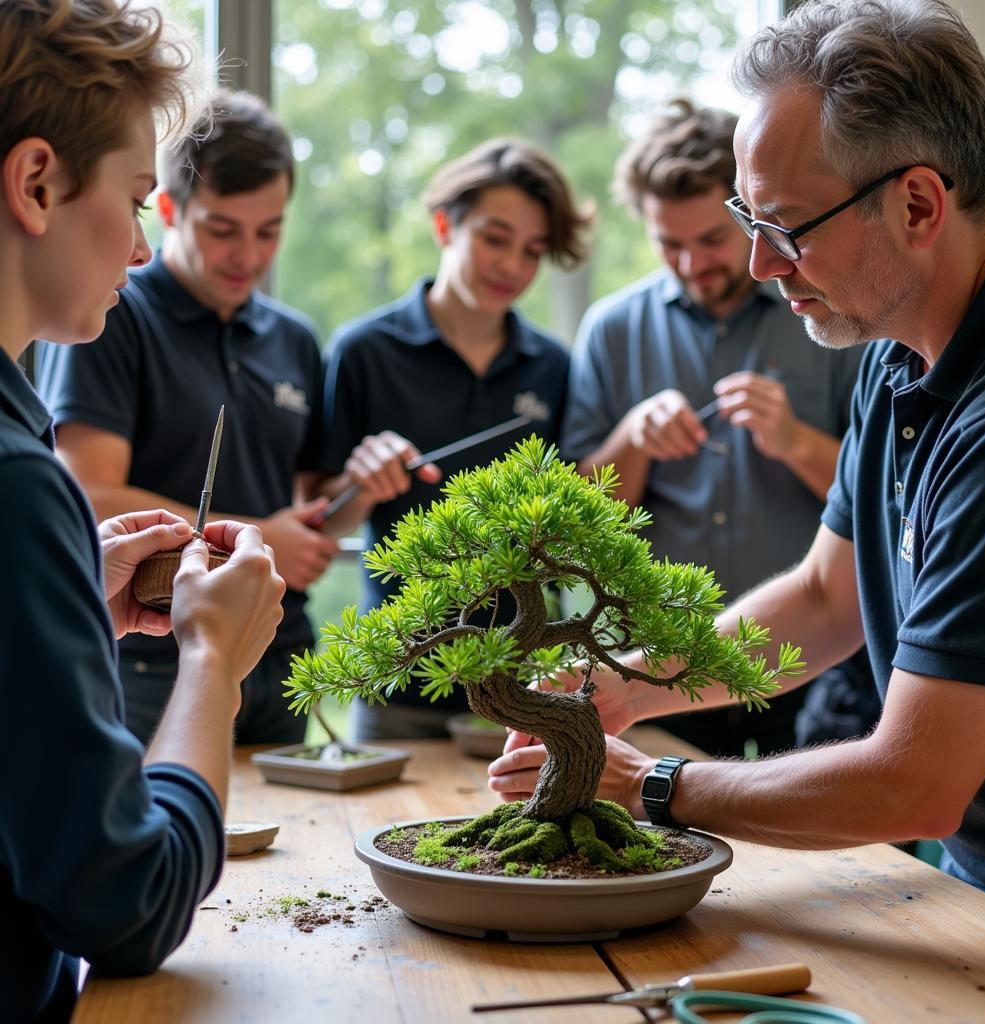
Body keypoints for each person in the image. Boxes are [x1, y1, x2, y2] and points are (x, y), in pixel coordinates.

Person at [490, 0, 985, 910]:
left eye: (785, 226)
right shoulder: (898, 345)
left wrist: (650, 785)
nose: (759, 265)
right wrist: (617, 685)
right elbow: (824, 598)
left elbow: (915, 785)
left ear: (919, 205)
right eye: (748, 217)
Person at [0, 2, 286, 1019]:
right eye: (133, 197)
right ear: (37, 183)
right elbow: (126, 906)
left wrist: (73, 601)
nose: (134, 245)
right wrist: (213, 661)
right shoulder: (19, 477)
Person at [561, 97, 876, 758]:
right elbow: (577, 533)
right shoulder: (613, 332)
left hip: (811, 659)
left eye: (710, 240)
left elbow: (886, 500)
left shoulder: (836, 314)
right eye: (669, 244)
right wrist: (630, 444)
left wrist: (795, 440)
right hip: (652, 664)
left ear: (751, 215)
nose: (691, 263)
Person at [36, 87, 338, 745]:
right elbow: (89, 495)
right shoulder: (110, 311)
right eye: (223, 230)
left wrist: (364, 485)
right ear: (169, 209)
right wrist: (265, 536)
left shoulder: (295, 337)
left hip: (280, 649)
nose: (248, 256)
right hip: (153, 651)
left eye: (270, 231)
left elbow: (312, 507)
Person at [323, 138, 592, 740]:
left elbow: (575, 512)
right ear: (445, 225)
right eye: (495, 239)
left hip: (525, 684)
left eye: (533, 251)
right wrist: (362, 483)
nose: (512, 268)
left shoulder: (552, 365)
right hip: (399, 678)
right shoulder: (363, 351)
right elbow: (325, 521)